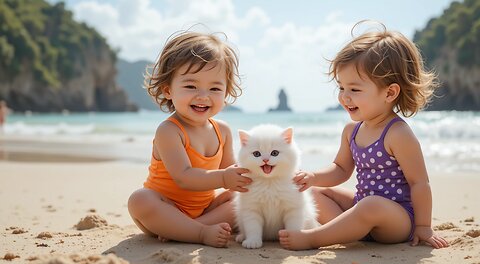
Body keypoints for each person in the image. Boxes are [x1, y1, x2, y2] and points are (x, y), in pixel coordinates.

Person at [278, 22, 449, 250]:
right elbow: (340, 169)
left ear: (389, 92)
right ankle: (349, 229)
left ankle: (314, 238)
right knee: (315, 192)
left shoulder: (397, 133)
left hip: (396, 220)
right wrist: (312, 176)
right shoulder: (352, 131)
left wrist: (424, 227)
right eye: (341, 87)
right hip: (362, 206)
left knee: (371, 206)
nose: (344, 97)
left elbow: (419, 183)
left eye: (355, 90)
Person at [128, 31, 252, 248]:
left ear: (226, 92)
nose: (203, 96)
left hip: (205, 210)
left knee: (245, 198)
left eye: (214, 88)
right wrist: (224, 178)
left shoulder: (222, 130)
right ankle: (199, 233)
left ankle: (184, 229)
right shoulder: (169, 131)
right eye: (190, 86)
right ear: (168, 90)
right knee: (139, 199)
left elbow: (231, 171)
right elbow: (184, 177)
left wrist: (251, 175)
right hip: (164, 208)